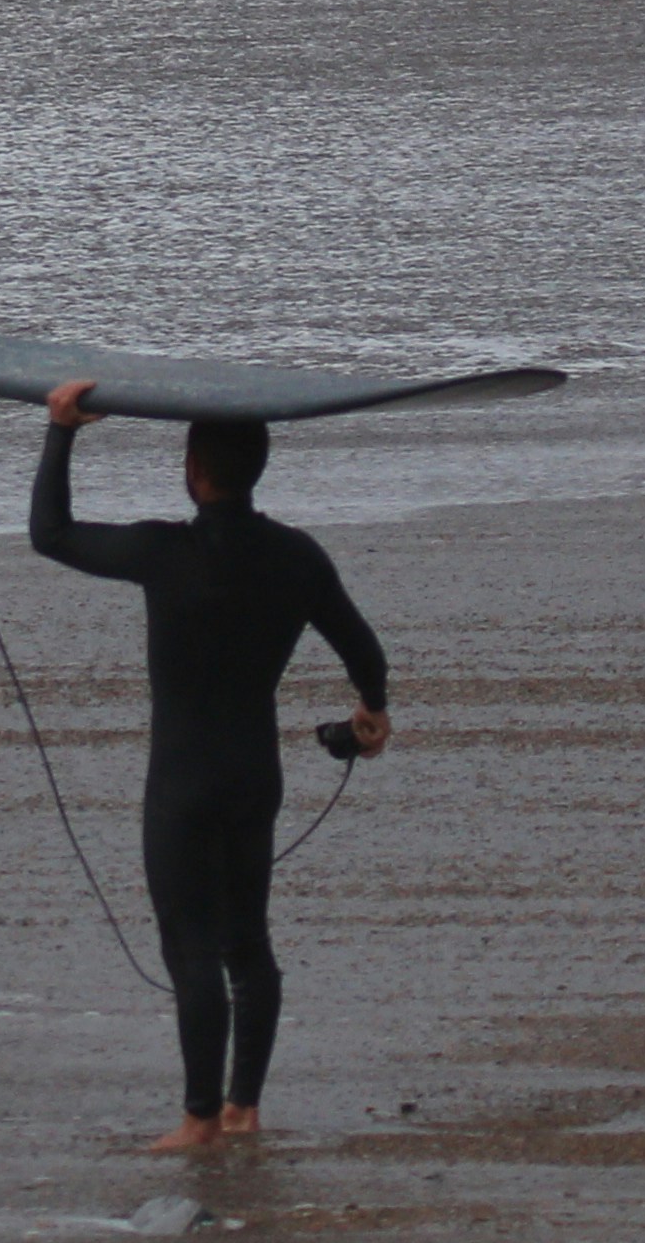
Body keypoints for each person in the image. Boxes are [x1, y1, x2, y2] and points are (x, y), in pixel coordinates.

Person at [28, 379, 393, 1152]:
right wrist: (372, 710)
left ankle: (198, 1121)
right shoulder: (299, 558)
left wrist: (63, 430)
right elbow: (364, 650)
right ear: (256, 468)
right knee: (245, 942)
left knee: (189, 945)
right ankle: (242, 1110)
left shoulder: (164, 551)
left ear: (194, 469)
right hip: (254, 777)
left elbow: (51, 533)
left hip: (184, 783)